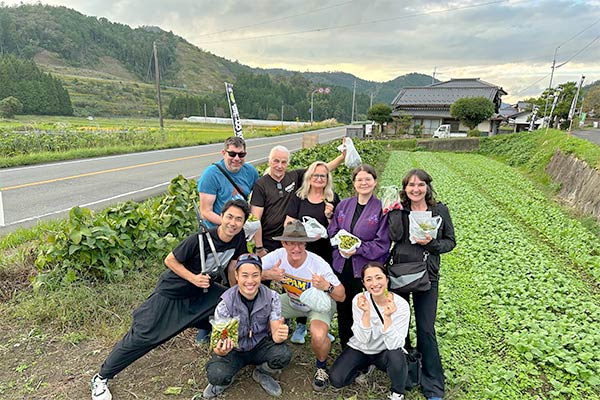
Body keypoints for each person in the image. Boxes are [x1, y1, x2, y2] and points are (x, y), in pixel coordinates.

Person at [90, 199, 250, 400]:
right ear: (221, 217)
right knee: (143, 335)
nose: (233, 223)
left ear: (243, 223)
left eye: (238, 219)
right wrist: (193, 278)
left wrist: (237, 294)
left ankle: (225, 356)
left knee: (230, 309)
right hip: (173, 292)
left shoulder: (239, 237)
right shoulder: (198, 240)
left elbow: (233, 265)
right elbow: (170, 260)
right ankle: (101, 377)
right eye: (229, 217)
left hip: (202, 293)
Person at [251, 144, 344, 343]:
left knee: (318, 283)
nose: (280, 165)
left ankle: (320, 321)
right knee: (298, 283)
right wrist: (293, 237)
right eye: (276, 161)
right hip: (301, 246)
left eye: (283, 161)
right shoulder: (298, 195)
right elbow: (289, 220)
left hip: (323, 249)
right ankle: (299, 325)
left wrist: (329, 218)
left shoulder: (332, 198)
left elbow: (337, 227)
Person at [387, 169, 456, 400]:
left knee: (426, 329)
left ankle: (433, 383)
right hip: (401, 273)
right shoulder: (400, 209)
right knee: (402, 327)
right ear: (404, 188)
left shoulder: (439, 210)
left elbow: (450, 242)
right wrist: (394, 213)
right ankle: (407, 375)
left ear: (427, 187)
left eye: (420, 185)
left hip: (428, 275)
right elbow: (395, 237)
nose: (415, 189)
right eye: (410, 185)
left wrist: (432, 243)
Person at [261, 220, 346, 392]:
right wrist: (269, 274)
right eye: (291, 243)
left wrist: (326, 286)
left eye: (300, 243)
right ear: (283, 243)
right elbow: (247, 272)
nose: (296, 249)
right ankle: (269, 355)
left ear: (306, 243)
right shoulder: (277, 256)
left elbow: (341, 295)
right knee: (262, 310)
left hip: (318, 305)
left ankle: (321, 367)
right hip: (293, 301)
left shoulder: (317, 263)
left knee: (318, 334)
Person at [203, 254, 292, 399]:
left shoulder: (272, 297)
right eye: (245, 275)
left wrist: (279, 335)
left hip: (260, 344)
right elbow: (218, 345)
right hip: (234, 349)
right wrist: (220, 351)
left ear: (260, 276)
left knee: (283, 355)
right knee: (216, 375)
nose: (250, 281)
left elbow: (276, 332)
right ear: (236, 276)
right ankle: (224, 381)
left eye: (255, 275)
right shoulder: (225, 304)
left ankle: (263, 372)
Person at [328, 163, 390, 349]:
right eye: (359, 179)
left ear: (375, 182)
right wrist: (339, 243)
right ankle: (347, 346)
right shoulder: (344, 205)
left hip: (366, 269)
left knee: (366, 308)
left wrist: (359, 248)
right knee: (344, 306)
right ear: (354, 183)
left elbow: (383, 243)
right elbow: (333, 230)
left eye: (367, 179)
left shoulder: (381, 209)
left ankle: (368, 347)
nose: (363, 183)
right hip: (342, 265)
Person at [330, 262, 410, 400]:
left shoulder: (401, 305)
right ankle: (365, 366)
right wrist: (366, 314)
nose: (375, 283)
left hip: (385, 352)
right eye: (369, 279)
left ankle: (397, 392)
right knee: (337, 379)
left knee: (397, 356)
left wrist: (387, 318)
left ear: (387, 279)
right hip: (362, 348)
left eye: (379, 278)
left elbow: (395, 345)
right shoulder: (359, 300)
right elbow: (362, 340)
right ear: (364, 283)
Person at [197, 136, 259, 228]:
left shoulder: (250, 172)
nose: (237, 158)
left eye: (241, 155)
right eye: (232, 154)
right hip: (218, 230)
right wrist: (230, 225)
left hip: (240, 228)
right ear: (224, 153)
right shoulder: (211, 175)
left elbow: (257, 198)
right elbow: (206, 212)